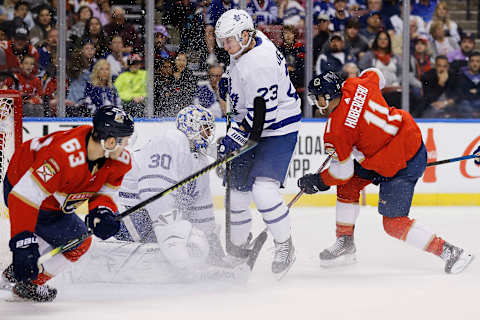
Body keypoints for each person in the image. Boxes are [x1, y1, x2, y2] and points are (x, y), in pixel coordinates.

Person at [297, 70, 474, 274]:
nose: (315, 104)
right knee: (348, 187)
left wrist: (319, 181)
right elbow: (376, 74)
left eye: (316, 98)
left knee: (393, 223)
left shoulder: (335, 130)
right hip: (404, 142)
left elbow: (342, 172)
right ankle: (345, 242)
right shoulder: (356, 84)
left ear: (327, 97)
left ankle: (450, 252)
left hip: (401, 164)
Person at [0, 106, 134, 302]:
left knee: (78, 240)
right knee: (54, 236)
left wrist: (102, 211)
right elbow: (23, 196)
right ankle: (21, 269)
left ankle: (28, 283)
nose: (127, 145)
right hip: (21, 183)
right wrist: (22, 242)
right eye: (125, 140)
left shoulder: (117, 160)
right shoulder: (62, 156)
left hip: (55, 197)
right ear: (111, 142)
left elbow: (105, 193)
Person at [103, 105, 247, 281]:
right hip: (127, 213)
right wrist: (170, 232)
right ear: (190, 125)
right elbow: (153, 189)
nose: (208, 135)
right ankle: (174, 268)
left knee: (197, 241)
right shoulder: (171, 141)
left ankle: (178, 262)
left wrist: (216, 255)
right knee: (187, 241)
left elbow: (202, 215)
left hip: (150, 218)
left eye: (210, 130)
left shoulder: (200, 161)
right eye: (204, 128)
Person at [215, 9, 301, 276]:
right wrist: (230, 82)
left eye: (229, 40)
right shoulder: (252, 42)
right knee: (237, 191)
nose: (225, 46)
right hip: (254, 122)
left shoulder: (259, 63)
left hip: (277, 129)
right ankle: (239, 248)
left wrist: (232, 139)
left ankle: (285, 244)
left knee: (263, 191)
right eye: (223, 41)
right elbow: (245, 86)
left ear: (244, 34)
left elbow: (262, 120)